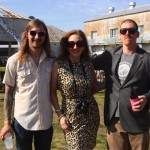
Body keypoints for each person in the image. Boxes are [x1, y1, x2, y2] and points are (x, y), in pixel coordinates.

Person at [92, 19, 150, 150]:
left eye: (132, 31)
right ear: (120, 34)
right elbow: (89, 63)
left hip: (138, 121)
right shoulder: (110, 55)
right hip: (114, 121)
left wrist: (147, 98)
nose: (127, 33)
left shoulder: (147, 59)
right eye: (124, 31)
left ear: (137, 34)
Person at [0, 19, 54, 150]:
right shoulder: (14, 61)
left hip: (45, 122)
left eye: (41, 33)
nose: (37, 37)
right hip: (23, 122)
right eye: (33, 32)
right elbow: (8, 93)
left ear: (45, 36)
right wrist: (7, 122)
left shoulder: (52, 60)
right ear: (26, 34)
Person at [50, 29, 103, 150]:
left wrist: (113, 81)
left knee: (89, 147)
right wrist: (60, 115)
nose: (75, 47)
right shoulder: (58, 64)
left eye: (79, 44)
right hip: (71, 117)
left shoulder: (88, 64)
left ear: (84, 46)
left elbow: (94, 87)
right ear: (66, 46)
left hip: (91, 114)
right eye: (71, 44)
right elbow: (52, 92)